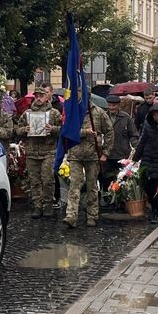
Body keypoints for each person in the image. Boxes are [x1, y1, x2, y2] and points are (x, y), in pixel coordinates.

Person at [15, 88, 62, 218]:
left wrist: (52, 129)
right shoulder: (27, 113)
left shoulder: (54, 113)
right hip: (32, 152)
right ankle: (37, 205)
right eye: (37, 96)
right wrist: (25, 129)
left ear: (47, 97)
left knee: (48, 180)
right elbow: (17, 129)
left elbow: (62, 130)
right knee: (34, 181)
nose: (39, 98)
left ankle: (48, 205)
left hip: (48, 152)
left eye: (41, 95)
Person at [63, 102, 112, 228]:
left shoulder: (99, 112)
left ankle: (92, 215)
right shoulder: (72, 112)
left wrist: (105, 153)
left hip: (93, 155)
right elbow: (67, 130)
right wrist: (85, 132)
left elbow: (110, 132)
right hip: (75, 154)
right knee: (74, 185)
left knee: (92, 186)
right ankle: (71, 215)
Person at [102, 95, 140, 200]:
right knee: (106, 178)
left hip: (122, 154)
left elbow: (134, 134)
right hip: (107, 154)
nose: (111, 108)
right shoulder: (103, 116)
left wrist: (136, 147)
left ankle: (121, 201)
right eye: (109, 105)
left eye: (114, 105)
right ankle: (107, 199)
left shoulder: (126, 117)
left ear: (118, 105)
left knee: (121, 179)